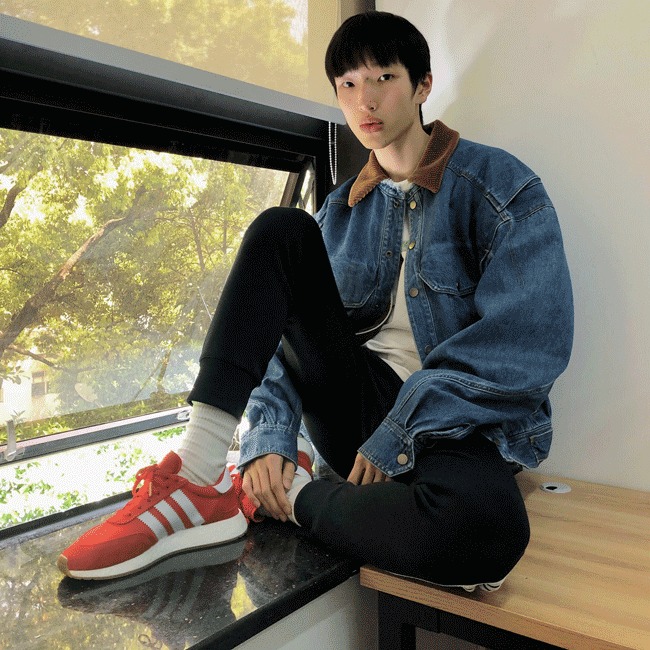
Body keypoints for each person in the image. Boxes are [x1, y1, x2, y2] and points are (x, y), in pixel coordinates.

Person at [58, 10, 573, 589]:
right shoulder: (338, 212)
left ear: (423, 86)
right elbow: (287, 345)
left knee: (492, 531)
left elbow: (527, 345)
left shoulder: (501, 188)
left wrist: (402, 430)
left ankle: (297, 496)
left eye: (383, 79)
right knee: (281, 230)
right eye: (347, 85)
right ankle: (199, 475)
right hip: (357, 411)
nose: (364, 102)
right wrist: (269, 437)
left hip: (455, 423)